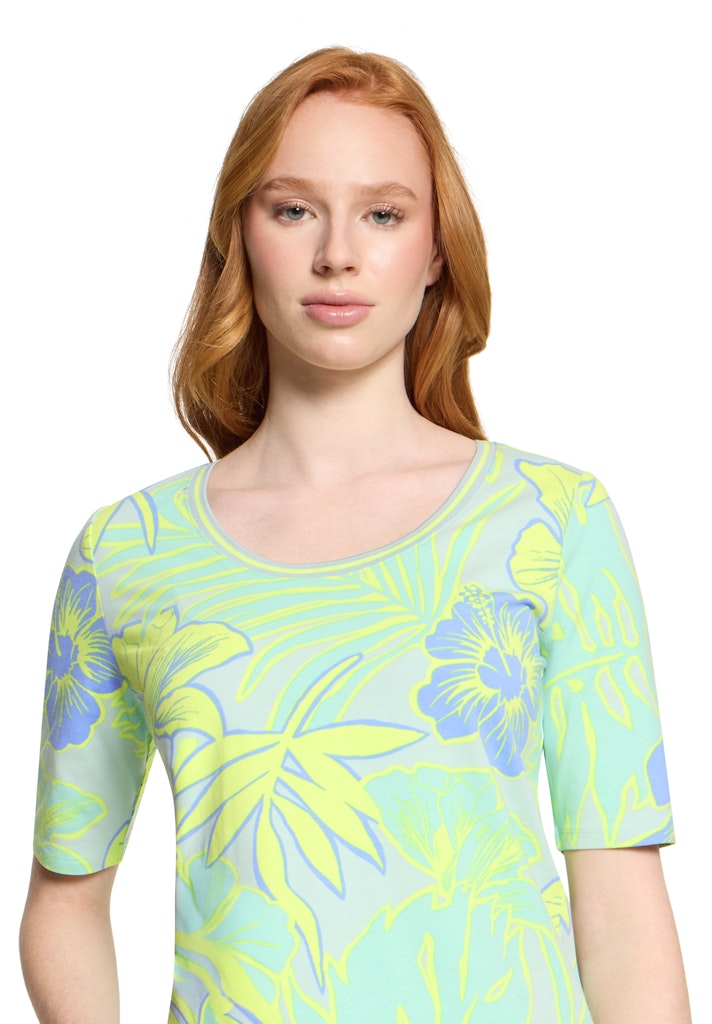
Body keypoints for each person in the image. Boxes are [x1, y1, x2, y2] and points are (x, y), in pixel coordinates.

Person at [20, 46, 690, 1024]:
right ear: (239, 235)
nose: (337, 252)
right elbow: (65, 897)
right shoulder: (127, 552)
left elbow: (622, 905)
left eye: (383, 213)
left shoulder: (553, 521)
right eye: (293, 209)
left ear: (437, 250)